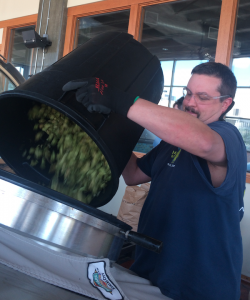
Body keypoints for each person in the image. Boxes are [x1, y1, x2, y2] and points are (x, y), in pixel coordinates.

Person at [62, 62, 247, 300]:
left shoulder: (228, 137)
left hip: (199, 286)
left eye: (202, 97)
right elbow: (133, 175)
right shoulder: (173, 143)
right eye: (188, 93)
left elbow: (204, 143)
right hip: (151, 272)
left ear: (226, 103)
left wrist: (119, 100)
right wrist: (112, 129)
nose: (190, 102)